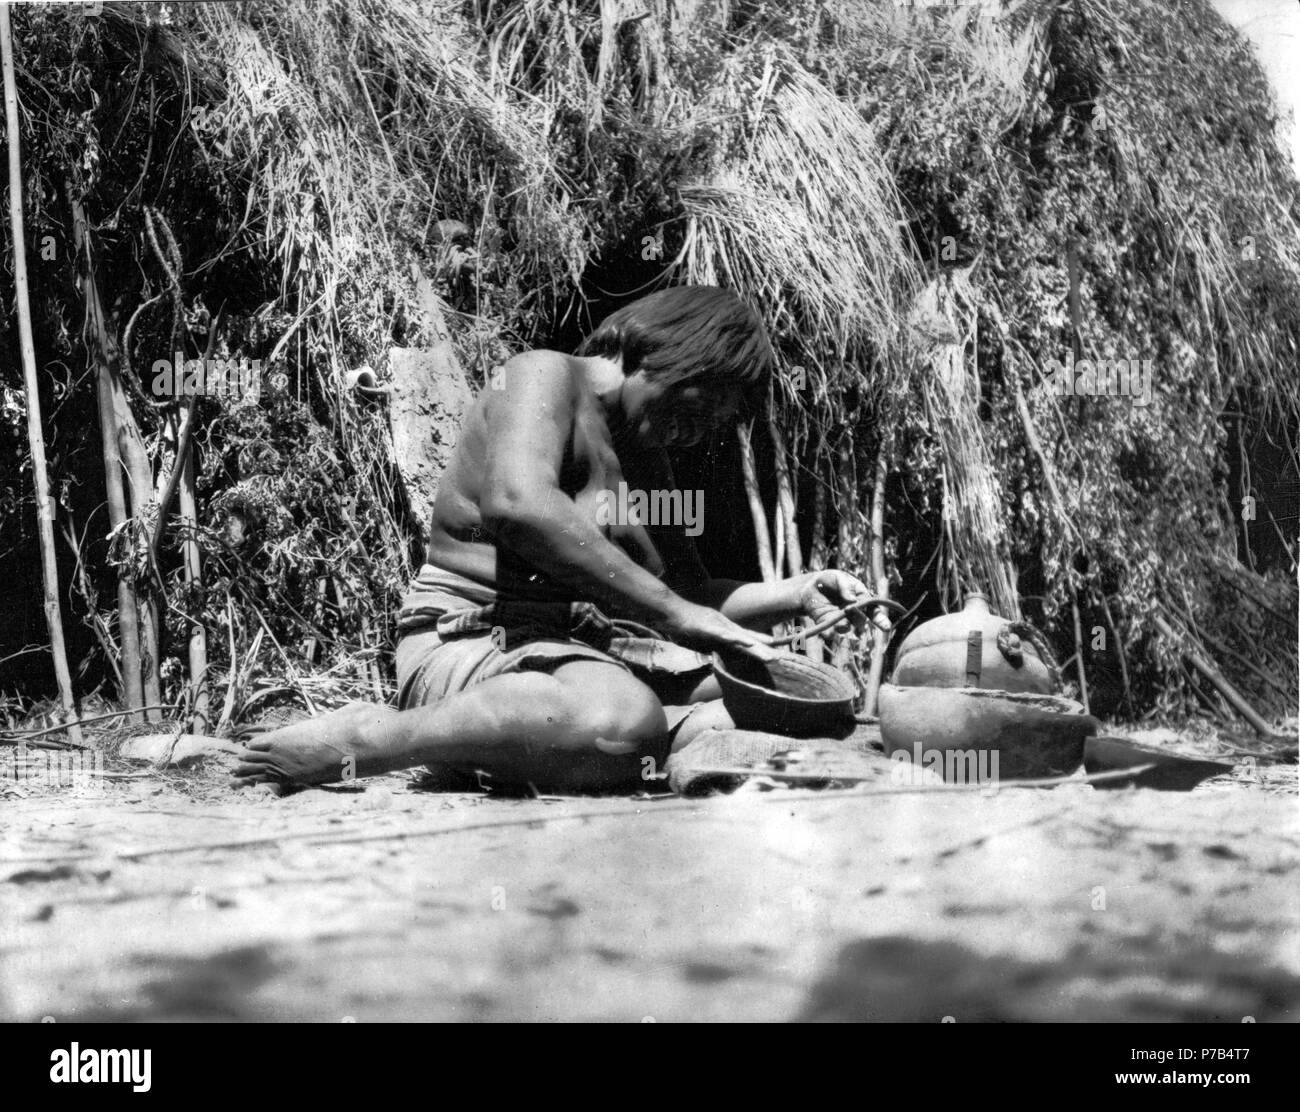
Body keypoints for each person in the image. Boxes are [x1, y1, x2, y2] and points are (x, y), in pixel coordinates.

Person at [234, 286, 867, 792]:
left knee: (800, 702)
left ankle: (561, 746)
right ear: (675, 348)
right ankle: (375, 740)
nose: (699, 433)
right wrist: (681, 615)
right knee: (619, 721)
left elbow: (689, 596)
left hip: (582, 660)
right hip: (473, 643)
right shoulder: (542, 375)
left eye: (715, 425)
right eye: (703, 406)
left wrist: (800, 591)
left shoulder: (646, 461)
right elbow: (518, 505)